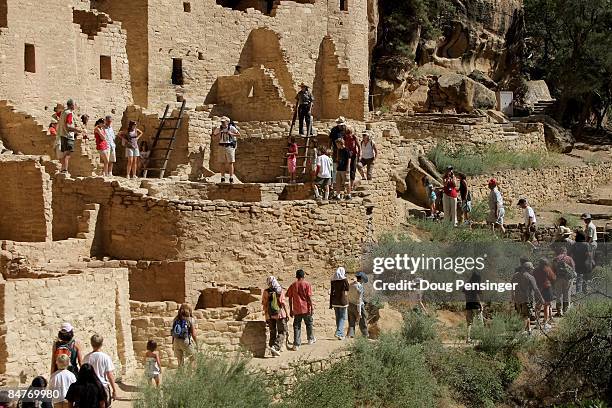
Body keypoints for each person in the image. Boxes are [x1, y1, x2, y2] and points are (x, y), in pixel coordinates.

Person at [83, 334, 118, 405]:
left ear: (91, 343)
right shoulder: (106, 357)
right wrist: (114, 390)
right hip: (102, 386)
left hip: (90, 388)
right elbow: (109, 375)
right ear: (102, 344)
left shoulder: (86, 358)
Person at [286, 269, 315, 351]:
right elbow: (309, 297)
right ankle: (310, 339)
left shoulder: (293, 285)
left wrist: (291, 310)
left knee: (297, 326)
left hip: (297, 309)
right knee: (309, 324)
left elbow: (289, 297)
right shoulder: (307, 284)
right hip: (306, 308)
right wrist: (312, 307)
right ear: (303, 276)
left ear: (296, 276)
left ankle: (296, 344)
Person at [511, 262, 544, 334]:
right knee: (526, 316)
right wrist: (541, 299)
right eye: (531, 269)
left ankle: (529, 330)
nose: (532, 271)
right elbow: (536, 289)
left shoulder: (515, 276)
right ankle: (521, 332)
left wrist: (512, 298)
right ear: (529, 269)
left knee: (521, 316)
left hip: (517, 300)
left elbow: (512, 288)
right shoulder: (530, 277)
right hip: (527, 300)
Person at [262, 276, 289, 357]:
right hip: (279, 314)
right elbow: (282, 303)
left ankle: (272, 351)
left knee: (272, 332)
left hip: (269, 315)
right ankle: (276, 347)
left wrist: (266, 315)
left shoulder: (266, 291)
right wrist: (287, 314)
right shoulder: (279, 290)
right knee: (282, 331)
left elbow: (264, 304)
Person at [56, 99, 82, 174]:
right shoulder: (69, 113)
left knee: (65, 152)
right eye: (75, 105)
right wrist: (77, 130)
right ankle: (64, 170)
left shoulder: (64, 112)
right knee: (67, 153)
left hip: (62, 135)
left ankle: (63, 169)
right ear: (72, 105)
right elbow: (68, 126)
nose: (76, 106)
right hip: (68, 136)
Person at [213, 117, 240, 183]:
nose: (222, 123)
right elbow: (213, 137)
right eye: (222, 122)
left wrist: (231, 134)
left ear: (227, 122)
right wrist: (219, 133)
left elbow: (239, 135)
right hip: (221, 146)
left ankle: (231, 178)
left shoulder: (231, 128)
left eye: (224, 122)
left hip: (229, 146)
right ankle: (222, 178)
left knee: (230, 162)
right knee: (222, 162)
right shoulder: (218, 129)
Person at [552, 246, 576, 317]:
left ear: (559, 251)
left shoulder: (555, 259)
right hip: (567, 279)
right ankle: (566, 311)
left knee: (558, 295)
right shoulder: (569, 258)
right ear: (565, 251)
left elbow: (552, 270)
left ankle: (559, 311)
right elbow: (573, 269)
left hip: (558, 279)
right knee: (567, 294)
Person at [533, 258, 556, 329]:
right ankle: (545, 323)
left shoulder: (535, 270)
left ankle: (537, 323)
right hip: (547, 288)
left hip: (538, 289)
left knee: (538, 306)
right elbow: (553, 278)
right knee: (546, 306)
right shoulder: (547, 269)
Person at [330, 267, 350, 340]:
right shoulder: (343, 280)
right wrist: (345, 279)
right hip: (342, 301)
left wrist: (330, 303)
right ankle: (339, 332)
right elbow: (348, 288)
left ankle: (340, 335)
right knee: (342, 318)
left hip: (335, 301)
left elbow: (332, 292)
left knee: (338, 318)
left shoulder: (333, 280)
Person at [464, 271, 484, 343]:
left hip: (468, 305)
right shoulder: (476, 285)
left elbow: (465, 295)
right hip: (475, 305)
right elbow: (477, 296)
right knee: (480, 322)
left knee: (469, 323)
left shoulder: (467, 284)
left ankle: (468, 339)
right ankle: (483, 338)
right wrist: (480, 304)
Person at [347, 272, 369, 338]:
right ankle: (365, 334)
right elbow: (359, 299)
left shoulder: (350, 284)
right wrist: (359, 312)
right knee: (362, 320)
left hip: (350, 304)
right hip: (358, 305)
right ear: (361, 279)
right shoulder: (360, 287)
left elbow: (348, 295)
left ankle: (351, 334)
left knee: (351, 320)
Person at [343, 127, 360, 194]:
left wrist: (359, 154)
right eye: (347, 134)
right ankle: (346, 185)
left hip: (353, 155)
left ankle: (352, 185)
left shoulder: (354, 137)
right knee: (346, 169)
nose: (348, 135)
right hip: (347, 155)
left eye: (349, 134)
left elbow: (358, 146)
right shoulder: (344, 137)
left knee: (353, 169)